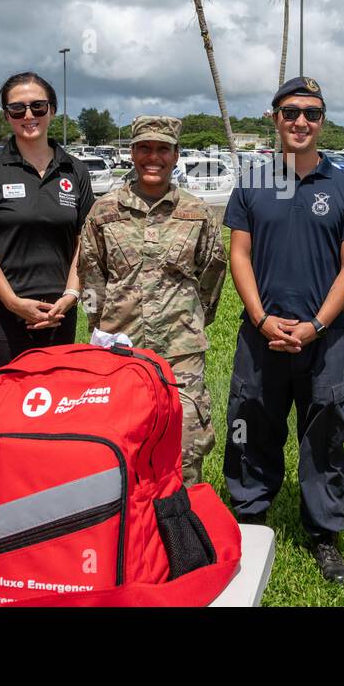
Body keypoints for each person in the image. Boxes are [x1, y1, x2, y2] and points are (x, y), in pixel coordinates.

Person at [223, 76, 344, 584]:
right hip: (259, 336)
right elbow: (238, 254)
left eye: (311, 113)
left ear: (322, 121)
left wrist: (315, 325)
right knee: (251, 425)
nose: (301, 122)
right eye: (290, 112)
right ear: (275, 119)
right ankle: (248, 520)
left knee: (325, 434)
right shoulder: (252, 183)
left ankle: (324, 535)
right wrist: (263, 318)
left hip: (323, 338)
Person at [77, 115, 226, 485]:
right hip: (120, 350)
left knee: (186, 440)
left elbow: (212, 275)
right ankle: (128, 520)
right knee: (118, 439)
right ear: (132, 153)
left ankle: (184, 524)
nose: (153, 157)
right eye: (144, 148)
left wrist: (191, 321)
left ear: (176, 155)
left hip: (180, 351)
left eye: (162, 149)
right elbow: (91, 278)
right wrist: (99, 332)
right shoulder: (105, 212)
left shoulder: (196, 213)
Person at [0, 72, 93, 392]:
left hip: (57, 314)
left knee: (55, 405)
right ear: (7, 116)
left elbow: (85, 242)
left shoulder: (75, 170)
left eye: (38, 106)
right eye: (17, 109)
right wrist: (13, 302)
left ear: (52, 110)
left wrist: (71, 296)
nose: (29, 115)